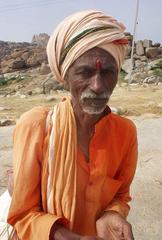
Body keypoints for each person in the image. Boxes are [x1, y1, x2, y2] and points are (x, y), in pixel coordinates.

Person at [7, 9, 138, 240]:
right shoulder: (36, 126)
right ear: (64, 77)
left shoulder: (125, 132)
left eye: (108, 72)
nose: (97, 85)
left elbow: (121, 194)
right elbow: (23, 214)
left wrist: (113, 213)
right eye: (84, 72)